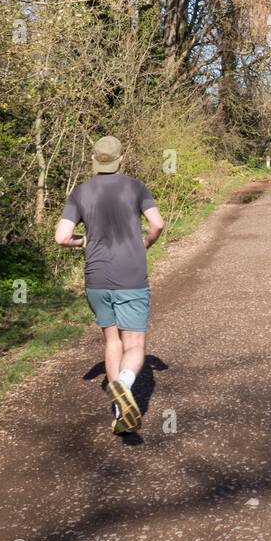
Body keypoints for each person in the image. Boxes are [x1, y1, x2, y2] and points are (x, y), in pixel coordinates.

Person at [55, 136, 164, 434]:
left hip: (96, 278)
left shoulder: (80, 192)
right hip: (130, 275)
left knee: (112, 340)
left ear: (94, 159)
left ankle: (119, 413)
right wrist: (145, 244)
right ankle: (123, 384)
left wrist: (84, 241)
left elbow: (61, 237)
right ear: (121, 159)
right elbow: (158, 224)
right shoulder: (135, 187)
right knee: (135, 344)